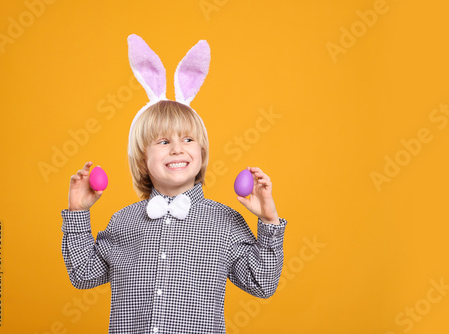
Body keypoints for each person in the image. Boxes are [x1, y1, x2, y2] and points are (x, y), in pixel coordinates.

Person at [61, 35, 287, 334]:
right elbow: (83, 274)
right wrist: (77, 214)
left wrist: (269, 221)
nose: (177, 149)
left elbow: (262, 284)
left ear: (202, 153)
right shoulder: (123, 221)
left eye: (188, 139)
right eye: (164, 141)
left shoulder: (226, 222)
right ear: (143, 159)